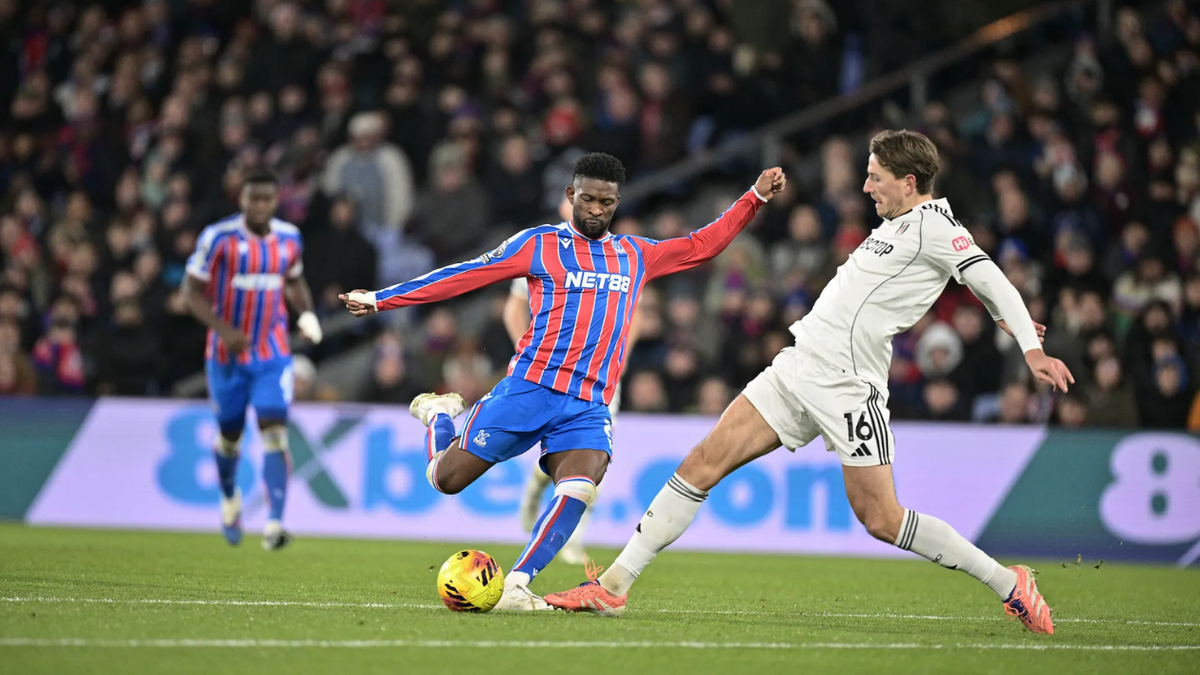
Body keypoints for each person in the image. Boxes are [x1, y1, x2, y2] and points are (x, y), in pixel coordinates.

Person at [544, 131, 1073, 636]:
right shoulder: (894, 225)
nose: (866, 187)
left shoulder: (937, 226)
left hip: (849, 387)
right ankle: (614, 585)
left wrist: (1028, 344)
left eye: (876, 178)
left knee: (881, 519)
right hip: (798, 365)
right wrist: (1008, 319)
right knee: (701, 463)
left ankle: (1009, 582)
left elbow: (987, 277)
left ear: (909, 182)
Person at [341, 152, 786, 610]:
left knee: (579, 488)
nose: (596, 209)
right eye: (589, 199)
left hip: (589, 404)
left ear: (617, 202)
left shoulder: (635, 254)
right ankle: (438, 415)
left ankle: (516, 584)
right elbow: (465, 274)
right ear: (571, 195)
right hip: (529, 389)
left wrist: (753, 197)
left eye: (607, 202)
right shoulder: (537, 244)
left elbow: (701, 245)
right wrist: (381, 300)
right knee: (445, 479)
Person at [182, 169, 323, 551]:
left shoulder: (289, 238)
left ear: (276, 201)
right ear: (241, 199)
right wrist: (224, 331)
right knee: (230, 435)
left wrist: (306, 315)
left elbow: (293, 280)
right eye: (252, 199)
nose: (259, 206)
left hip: (272, 354)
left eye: (266, 199)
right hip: (226, 356)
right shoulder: (219, 238)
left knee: (274, 431)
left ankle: (275, 524)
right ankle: (230, 499)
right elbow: (190, 292)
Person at [503, 195, 643, 566]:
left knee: (594, 458)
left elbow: (636, 310)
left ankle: (573, 538)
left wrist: (622, 355)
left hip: (598, 379)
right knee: (551, 453)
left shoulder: (621, 254)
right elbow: (514, 307)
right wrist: (529, 351)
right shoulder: (545, 249)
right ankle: (535, 488)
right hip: (548, 374)